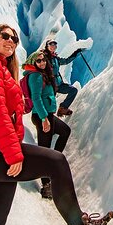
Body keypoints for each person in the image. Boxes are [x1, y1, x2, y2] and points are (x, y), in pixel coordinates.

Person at [0, 24, 113, 225]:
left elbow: (6, 108)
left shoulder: (0, 68)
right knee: (56, 162)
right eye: (5, 36)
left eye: (15, 38)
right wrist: (13, 153)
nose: (11, 40)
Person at [23, 50, 72, 199]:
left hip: (47, 115)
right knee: (44, 151)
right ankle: (46, 186)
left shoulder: (43, 74)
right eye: (38, 61)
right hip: (42, 116)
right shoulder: (36, 76)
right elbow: (36, 98)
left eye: (43, 60)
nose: (42, 62)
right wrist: (44, 118)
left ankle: (54, 163)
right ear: (33, 63)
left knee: (65, 131)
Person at [43, 39, 83, 116]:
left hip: (59, 84)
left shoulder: (55, 58)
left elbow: (66, 61)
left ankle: (63, 108)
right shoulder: (44, 58)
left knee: (73, 90)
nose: (53, 46)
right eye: (51, 45)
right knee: (50, 105)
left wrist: (76, 53)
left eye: (54, 45)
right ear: (47, 46)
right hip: (50, 85)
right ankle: (45, 118)